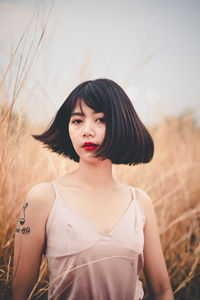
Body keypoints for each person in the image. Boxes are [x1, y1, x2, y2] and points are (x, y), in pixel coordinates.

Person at [12, 78, 174, 300]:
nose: (87, 131)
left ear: (121, 125)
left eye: (101, 120)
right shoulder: (44, 198)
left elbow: (163, 290)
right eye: (77, 121)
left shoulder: (139, 202)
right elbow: (19, 293)